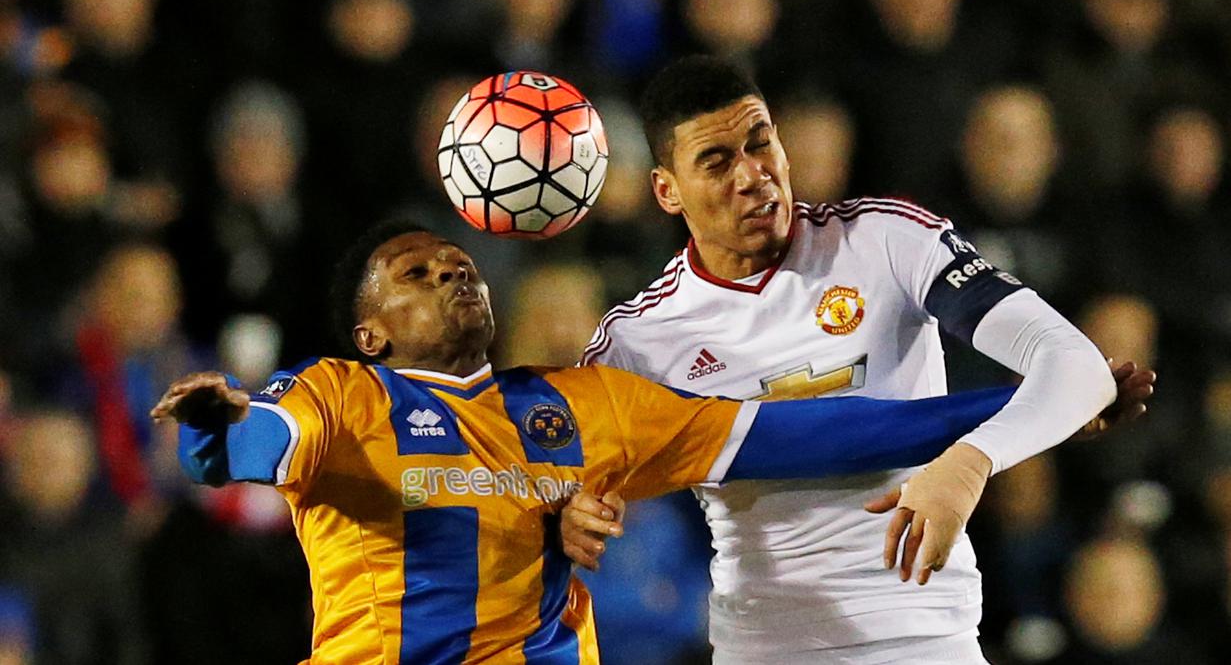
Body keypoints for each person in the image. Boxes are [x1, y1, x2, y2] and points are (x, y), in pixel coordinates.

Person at [154, 221, 1075, 664]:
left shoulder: (587, 405)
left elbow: (800, 432)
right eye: (417, 275)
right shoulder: (344, 393)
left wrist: (1012, 406)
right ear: (372, 334)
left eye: (460, 264)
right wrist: (215, 430)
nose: (452, 274)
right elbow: (257, 442)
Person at [565, 55, 1153, 664]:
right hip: (768, 648)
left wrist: (969, 464)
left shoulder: (885, 242)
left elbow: (1076, 364)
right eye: (716, 162)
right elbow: (558, 485)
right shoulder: (638, 339)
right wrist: (572, 514)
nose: (753, 176)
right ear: (666, 189)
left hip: (929, 643)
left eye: (760, 143)